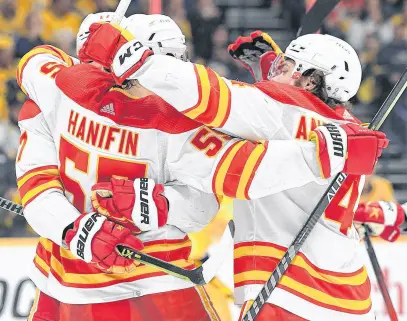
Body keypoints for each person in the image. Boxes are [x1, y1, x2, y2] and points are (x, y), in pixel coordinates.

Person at [16, 15, 385, 321]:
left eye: (284, 67)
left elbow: (214, 100)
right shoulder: (344, 124)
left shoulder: (58, 87)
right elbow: (261, 138)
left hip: (293, 293)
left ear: (309, 79)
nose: (275, 71)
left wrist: (121, 50)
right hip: (342, 290)